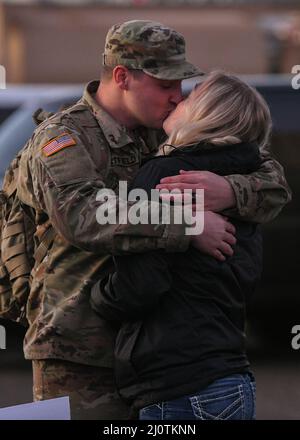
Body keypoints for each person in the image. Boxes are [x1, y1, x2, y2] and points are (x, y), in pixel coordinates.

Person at [15, 20, 290, 420]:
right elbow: (82, 214)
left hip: (154, 353)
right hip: (78, 350)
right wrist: (189, 225)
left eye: (181, 86)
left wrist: (230, 191)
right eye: (165, 86)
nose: (177, 98)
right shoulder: (66, 139)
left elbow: (274, 182)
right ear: (122, 77)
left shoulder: (168, 133)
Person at [90, 70, 277, 420]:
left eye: (191, 96)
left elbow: (141, 283)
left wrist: (99, 297)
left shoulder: (165, 174)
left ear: (208, 113)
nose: (178, 98)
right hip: (232, 378)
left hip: (178, 385)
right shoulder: (252, 183)